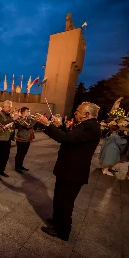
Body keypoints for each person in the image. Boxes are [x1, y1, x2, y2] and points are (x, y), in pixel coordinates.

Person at [35, 102, 101, 241]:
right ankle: (56, 221)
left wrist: (48, 125)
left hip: (73, 172)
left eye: (78, 111)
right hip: (68, 169)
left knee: (65, 202)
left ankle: (62, 231)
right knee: (59, 197)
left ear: (87, 114)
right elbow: (71, 136)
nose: (75, 113)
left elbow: (66, 138)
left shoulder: (90, 127)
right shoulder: (85, 125)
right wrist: (58, 126)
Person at [0, 100, 18, 179]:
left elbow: (11, 124)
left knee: (5, 156)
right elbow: (2, 123)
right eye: (8, 107)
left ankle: (1, 170)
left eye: (10, 107)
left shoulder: (9, 115)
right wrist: (13, 119)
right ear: (3, 107)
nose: (10, 108)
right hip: (0, 138)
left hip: (7, 138)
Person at [14, 107, 36, 174]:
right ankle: (17, 167)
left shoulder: (28, 118)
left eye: (29, 111)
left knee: (24, 153)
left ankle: (21, 165)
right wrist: (35, 120)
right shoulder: (20, 119)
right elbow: (28, 126)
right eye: (27, 111)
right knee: (20, 154)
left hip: (27, 138)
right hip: (21, 139)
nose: (29, 112)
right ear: (23, 112)